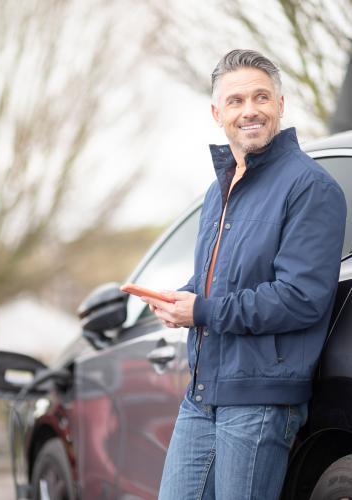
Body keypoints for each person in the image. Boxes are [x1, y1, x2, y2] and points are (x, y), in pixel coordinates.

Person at [141, 49, 347, 500]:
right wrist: (181, 300)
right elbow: (219, 281)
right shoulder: (220, 190)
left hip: (258, 400)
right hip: (201, 394)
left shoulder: (310, 187)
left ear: (280, 104)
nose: (249, 109)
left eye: (261, 97)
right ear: (217, 113)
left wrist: (204, 309)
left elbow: (301, 297)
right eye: (235, 101)